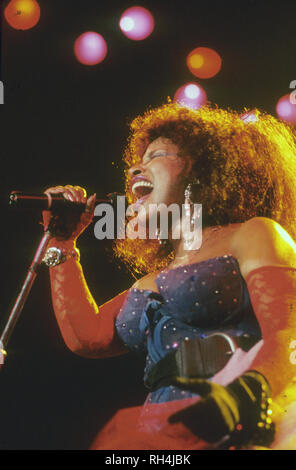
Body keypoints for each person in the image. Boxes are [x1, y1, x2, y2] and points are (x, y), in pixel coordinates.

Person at [42, 103, 296, 450]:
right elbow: (85, 337)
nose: (134, 169)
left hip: (238, 421)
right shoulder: (150, 280)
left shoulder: (252, 234)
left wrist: (239, 398)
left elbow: (288, 333)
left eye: (157, 155)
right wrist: (63, 242)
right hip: (164, 429)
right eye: (137, 160)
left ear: (202, 173)